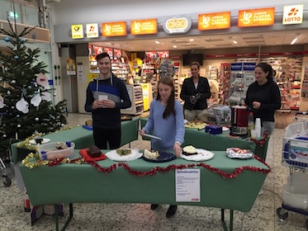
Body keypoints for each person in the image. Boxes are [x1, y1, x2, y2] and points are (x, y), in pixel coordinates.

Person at [140, 77, 185, 218]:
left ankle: (173, 203)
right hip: (156, 146)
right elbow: (151, 121)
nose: (163, 93)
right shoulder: (154, 103)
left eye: (166, 90)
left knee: (170, 177)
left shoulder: (177, 105)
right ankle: (157, 198)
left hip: (170, 147)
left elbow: (180, 126)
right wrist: (146, 130)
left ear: (172, 89)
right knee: (156, 175)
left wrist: (177, 142)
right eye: (160, 90)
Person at [85, 52, 131, 149]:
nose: (104, 66)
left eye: (106, 63)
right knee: (100, 154)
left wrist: (115, 105)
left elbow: (128, 103)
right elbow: (87, 107)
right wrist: (93, 106)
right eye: (101, 63)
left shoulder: (118, 83)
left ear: (110, 64)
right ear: (97, 65)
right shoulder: (92, 85)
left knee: (115, 154)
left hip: (114, 126)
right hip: (98, 126)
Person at [245, 62, 281, 136]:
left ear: (266, 73)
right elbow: (247, 101)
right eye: (255, 73)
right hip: (252, 120)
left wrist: (261, 106)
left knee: (262, 144)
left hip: (266, 121)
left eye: (260, 73)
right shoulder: (252, 86)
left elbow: (277, 105)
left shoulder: (272, 87)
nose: (257, 75)